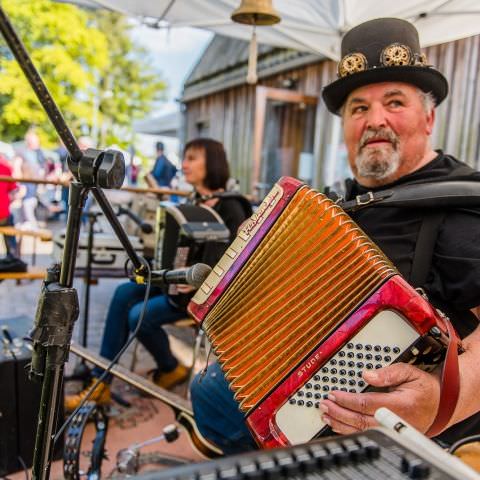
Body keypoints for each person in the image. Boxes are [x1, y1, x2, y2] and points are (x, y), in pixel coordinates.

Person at [189, 17, 480, 454]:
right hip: (307, 406)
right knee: (209, 394)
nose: (374, 119)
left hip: (406, 440)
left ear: (429, 118)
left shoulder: (464, 208)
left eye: (395, 102)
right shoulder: (335, 205)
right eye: (359, 108)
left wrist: (440, 401)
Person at [65, 138, 251, 411]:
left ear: (212, 162)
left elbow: (237, 260)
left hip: (203, 296)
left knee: (136, 315)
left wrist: (204, 279)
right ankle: (101, 381)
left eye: (192, 158)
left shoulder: (231, 206)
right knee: (123, 292)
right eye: (185, 158)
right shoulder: (192, 200)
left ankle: (170, 366)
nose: (184, 164)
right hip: (177, 283)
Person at [0, 153, 19, 258]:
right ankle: (12, 256)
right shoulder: (6, 167)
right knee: (9, 219)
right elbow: (13, 193)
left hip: (3, 212)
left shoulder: (6, 167)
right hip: (3, 214)